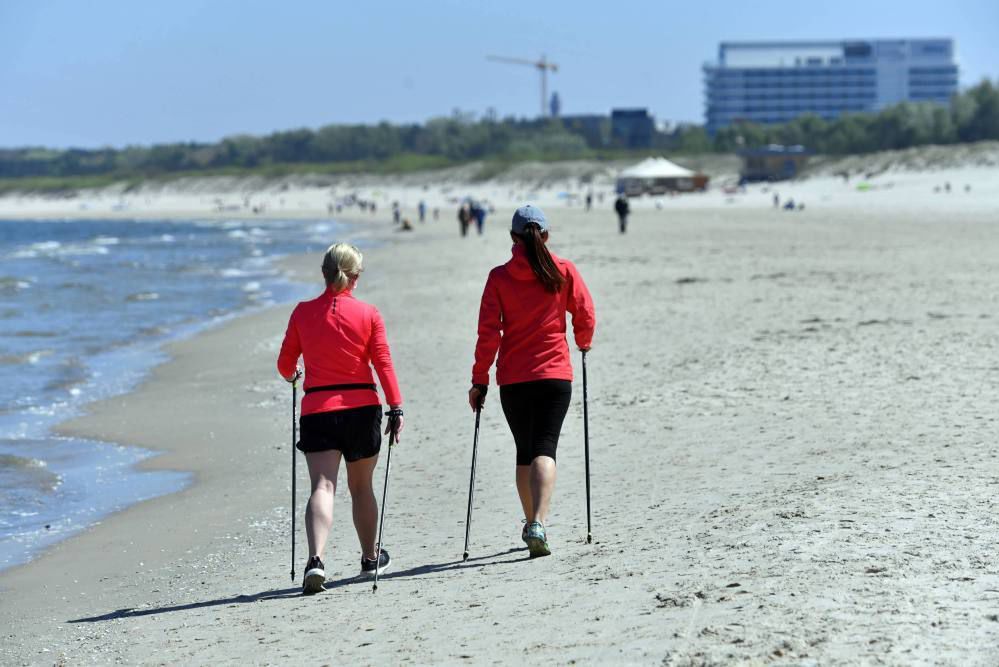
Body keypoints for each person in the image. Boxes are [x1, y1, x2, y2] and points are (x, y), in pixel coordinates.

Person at [468, 205, 595, 558]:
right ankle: (537, 522)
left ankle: (530, 522)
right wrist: (583, 341)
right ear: (546, 236)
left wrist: (479, 379)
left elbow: (488, 333)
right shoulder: (563, 270)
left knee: (525, 450)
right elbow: (584, 311)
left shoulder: (499, 277)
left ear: (513, 238)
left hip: (514, 378)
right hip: (555, 374)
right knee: (545, 446)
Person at [277, 243, 404, 594]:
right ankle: (368, 557)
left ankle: (315, 560)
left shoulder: (302, 313)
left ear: (323, 273)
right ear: (356, 277)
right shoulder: (369, 314)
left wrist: (294, 374)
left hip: (318, 410)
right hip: (362, 409)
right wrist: (396, 406)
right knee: (361, 486)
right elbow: (383, 362)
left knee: (323, 487)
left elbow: (285, 365)